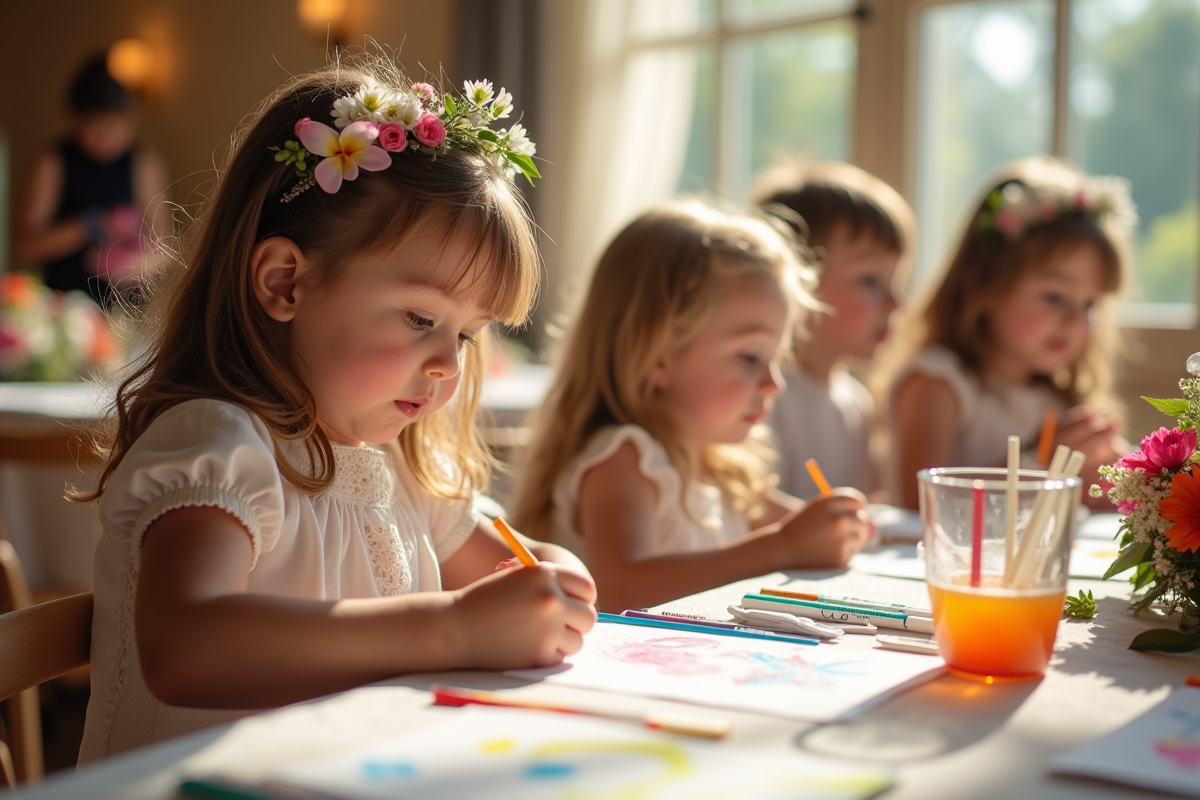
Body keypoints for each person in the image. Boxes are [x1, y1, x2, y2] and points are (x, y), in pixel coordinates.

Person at [73, 59, 596, 762]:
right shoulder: (220, 444)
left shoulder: (402, 469)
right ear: (285, 282)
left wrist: (552, 577)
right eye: (419, 317)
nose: (448, 363)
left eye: (467, 334)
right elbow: (187, 649)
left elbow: (509, 571)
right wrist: (452, 629)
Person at [510, 200, 873, 613]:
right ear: (659, 355)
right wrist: (783, 547)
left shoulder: (721, 467)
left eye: (776, 359)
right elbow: (621, 587)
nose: (775, 384)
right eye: (751, 357)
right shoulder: (624, 459)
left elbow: (801, 526)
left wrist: (840, 523)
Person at [884, 156, 1133, 509]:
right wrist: (1043, 461)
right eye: (1054, 297)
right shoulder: (938, 383)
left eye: (1090, 304)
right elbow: (924, 504)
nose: (1076, 322)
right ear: (982, 282)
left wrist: (1135, 478)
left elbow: (1100, 497)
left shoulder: (1059, 400)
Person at [754, 160, 914, 499]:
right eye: (870, 280)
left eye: (897, 283)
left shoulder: (856, 404)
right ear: (795, 281)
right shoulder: (763, 396)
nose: (896, 303)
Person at [14, 53, 169, 304]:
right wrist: (90, 225)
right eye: (97, 127)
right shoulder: (52, 161)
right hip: (63, 304)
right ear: (73, 115)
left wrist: (136, 265)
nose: (107, 137)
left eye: (118, 126)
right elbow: (26, 245)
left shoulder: (143, 163)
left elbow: (165, 248)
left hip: (125, 308)